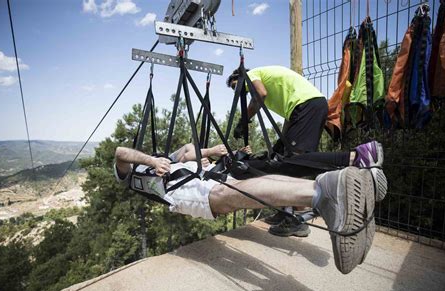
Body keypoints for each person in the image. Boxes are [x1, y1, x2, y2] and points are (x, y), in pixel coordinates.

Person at [114, 143, 387, 274]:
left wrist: (210, 152)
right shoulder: (127, 175)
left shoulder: (150, 164)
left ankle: (323, 194)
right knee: (248, 187)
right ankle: (331, 190)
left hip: (184, 188)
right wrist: (155, 160)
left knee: (227, 197)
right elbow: (121, 156)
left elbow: (184, 151)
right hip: (187, 181)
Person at [226, 65, 331, 236]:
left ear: (241, 78)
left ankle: (296, 220)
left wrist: (242, 121)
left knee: (293, 164)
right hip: (304, 109)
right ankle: (284, 212)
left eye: (235, 86)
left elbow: (260, 94)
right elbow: (290, 116)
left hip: (308, 106)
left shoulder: (251, 74)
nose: (237, 92)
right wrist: (281, 143)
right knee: (279, 158)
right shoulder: (264, 79)